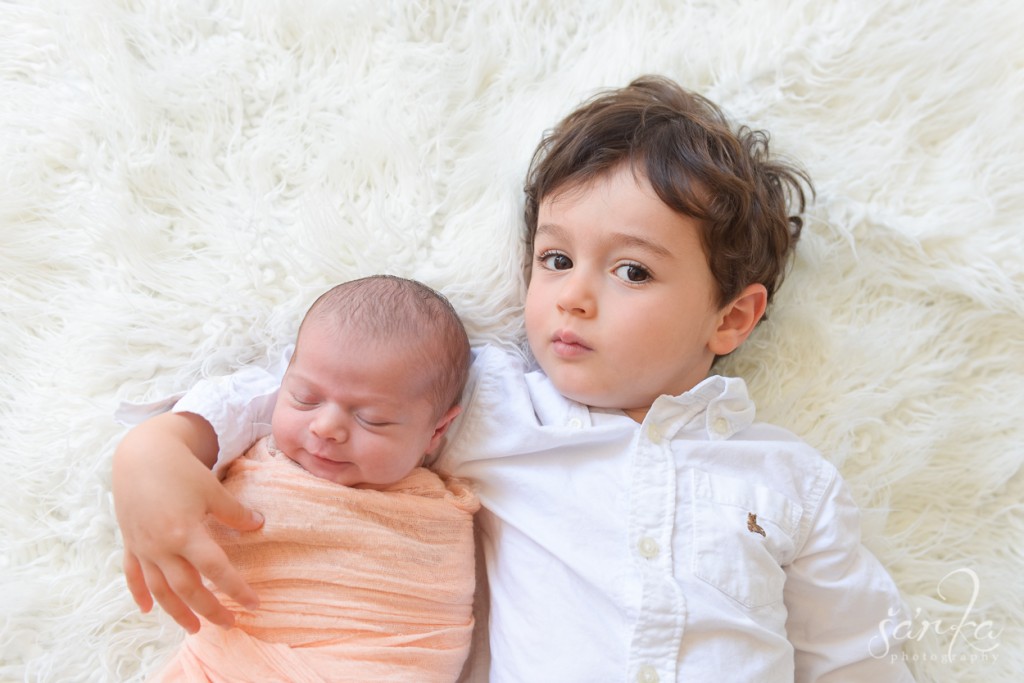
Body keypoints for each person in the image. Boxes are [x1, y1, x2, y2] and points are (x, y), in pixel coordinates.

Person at [113, 76, 915, 682]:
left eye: (632, 270)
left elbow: (854, 650)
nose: (573, 293)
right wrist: (161, 451)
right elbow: (309, 390)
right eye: (556, 259)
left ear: (732, 318)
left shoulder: (789, 479)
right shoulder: (495, 406)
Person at [144, 275, 479, 682]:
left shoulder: (430, 520)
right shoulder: (252, 451)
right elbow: (173, 459)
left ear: (436, 432)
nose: (325, 427)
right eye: (304, 398)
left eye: (371, 419)